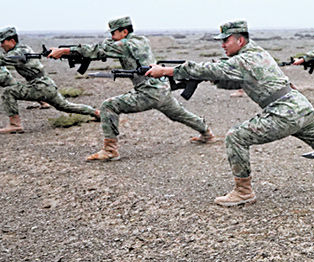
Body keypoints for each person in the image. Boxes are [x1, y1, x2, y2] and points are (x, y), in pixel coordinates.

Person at [146, 20, 314, 206]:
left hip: (284, 111)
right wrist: (209, 79)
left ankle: (243, 191)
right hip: (299, 107)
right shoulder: (255, 54)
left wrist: (167, 70)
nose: (222, 45)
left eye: (225, 41)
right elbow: (228, 78)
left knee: (236, 136)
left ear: (240, 40)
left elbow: (211, 68)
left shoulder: (245, 58)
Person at [48, 17, 213, 161]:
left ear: (124, 32)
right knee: (179, 114)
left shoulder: (125, 45)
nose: (112, 37)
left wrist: (64, 50)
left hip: (148, 91)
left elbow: (96, 50)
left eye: (114, 33)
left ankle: (110, 150)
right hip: (160, 87)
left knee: (108, 106)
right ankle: (207, 133)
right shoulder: (141, 40)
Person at [0, 27, 99, 134]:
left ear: (12, 41)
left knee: (8, 92)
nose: (1, 45)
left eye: (3, 42)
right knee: (66, 106)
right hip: (47, 84)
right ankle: (96, 113)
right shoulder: (22, 49)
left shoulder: (17, 53)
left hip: (40, 86)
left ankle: (15, 125)